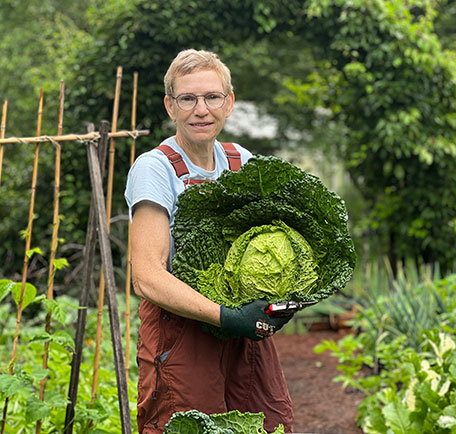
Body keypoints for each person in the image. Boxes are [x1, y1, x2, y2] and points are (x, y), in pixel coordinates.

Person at [125, 49, 294, 434]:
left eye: (212, 97)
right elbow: (146, 276)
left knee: (266, 424)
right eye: (188, 98)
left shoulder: (241, 161)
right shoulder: (155, 168)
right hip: (183, 334)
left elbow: (274, 238)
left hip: (246, 334)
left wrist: (281, 301)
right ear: (171, 106)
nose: (201, 109)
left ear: (229, 102)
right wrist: (225, 315)